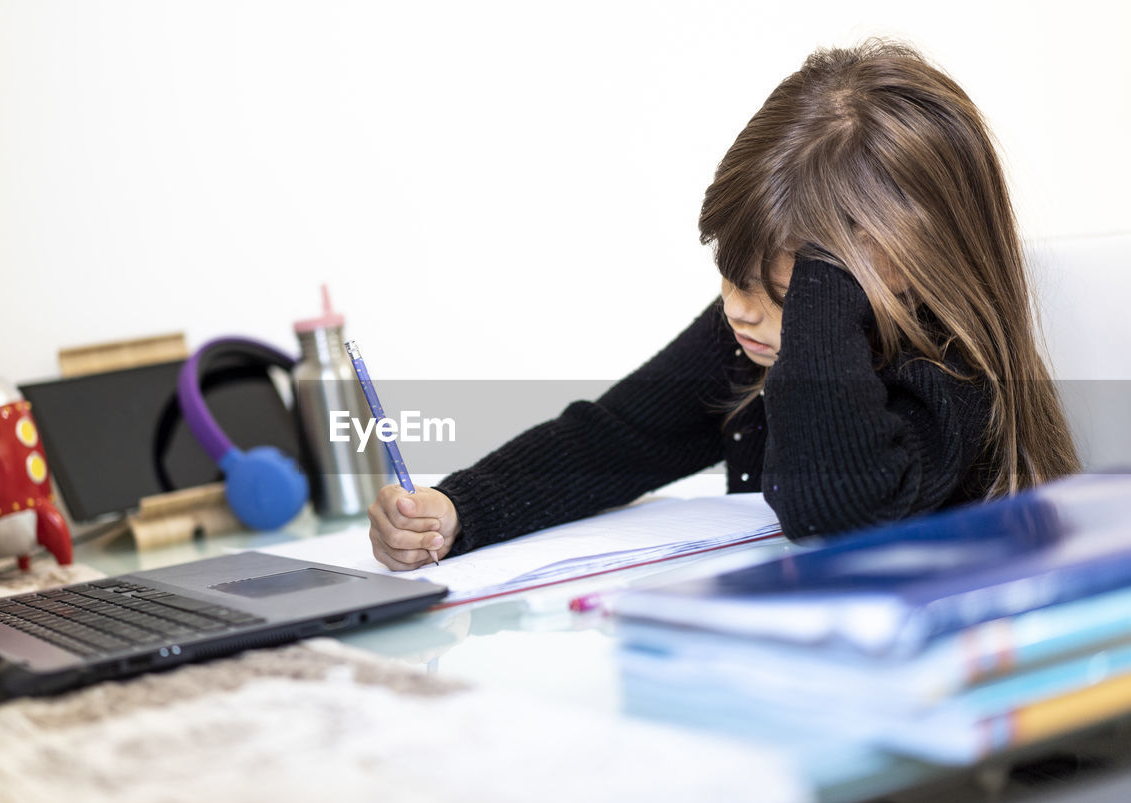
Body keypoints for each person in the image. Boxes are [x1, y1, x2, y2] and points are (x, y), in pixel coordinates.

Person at [367, 39, 1080, 572]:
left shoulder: (955, 378)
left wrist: (824, 285)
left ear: (889, 267)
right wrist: (462, 508)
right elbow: (616, 437)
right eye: (729, 276)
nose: (734, 310)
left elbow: (836, 504)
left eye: (772, 288)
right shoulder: (751, 333)